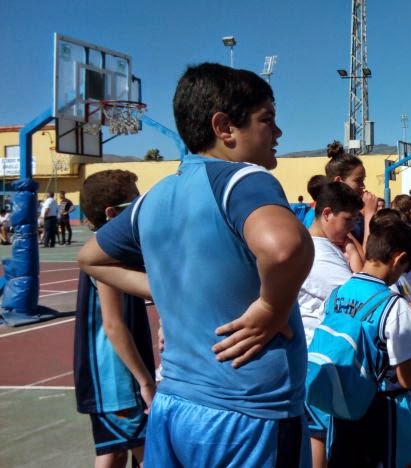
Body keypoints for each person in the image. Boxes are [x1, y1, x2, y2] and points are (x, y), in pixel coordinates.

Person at [77, 62, 314, 467]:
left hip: (174, 406)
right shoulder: (242, 180)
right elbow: (284, 248)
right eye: (267, 119)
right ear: (224, 127)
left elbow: (90, 258)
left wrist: (162, 287)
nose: (278, 133)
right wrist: (271, 307)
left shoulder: (153, 198)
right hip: (247, 414)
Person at [326, 214, 411, 468]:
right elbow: (407, 377)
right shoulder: (394, 305)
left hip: (342, 402)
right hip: (385, 408)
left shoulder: (336, 294)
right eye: (404, 269)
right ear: (399, 259)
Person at [73, 170, 156, 468]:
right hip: (117, 380)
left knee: (113, 451)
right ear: (112, 214)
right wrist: (144, 381)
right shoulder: (107, 254)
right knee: (151, 454)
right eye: (134, 204)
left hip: (111, 379)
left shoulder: (112, 250)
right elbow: (113, 324)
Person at [298, 182, 364, 468]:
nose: (351, 228)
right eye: (348, 220)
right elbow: (360, 295)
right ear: (327, 214)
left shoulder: (322, 246)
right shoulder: (319, 253)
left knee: (320, 434)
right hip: (320, 359)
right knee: (320, 435)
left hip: (320, 357)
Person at [325, 140, 378, 246]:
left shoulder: (353, 212)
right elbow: (367, 254)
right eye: (358, 180)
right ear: (339, 181)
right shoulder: (336, 216)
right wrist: (369, 214)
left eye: (363, 180)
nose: (363, 186)